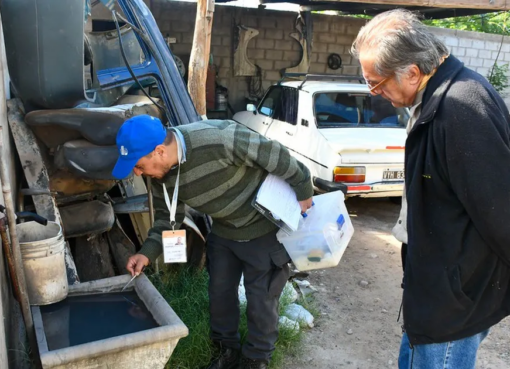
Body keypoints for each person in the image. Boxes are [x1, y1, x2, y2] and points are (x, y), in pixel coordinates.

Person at [352, 9, 510, 369]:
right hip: (434, 286)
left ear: (412, 72)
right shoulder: (434, 96)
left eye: (377, 84)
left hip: (453, 300)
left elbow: (501, 210)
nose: (375, 94)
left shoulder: (462, 107)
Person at [112, 115, 313, 369]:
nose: (137, 172)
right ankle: (226, 352)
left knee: (261, 298)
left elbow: (275, 154)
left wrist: (303, 188)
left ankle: (256, 358)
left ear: (159, 151)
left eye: (139, 165)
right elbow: (168, 219)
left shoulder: (219, 139)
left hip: (262, 229)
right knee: (219, 295)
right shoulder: (161, 176)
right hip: (224, 231)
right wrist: (147, 253)